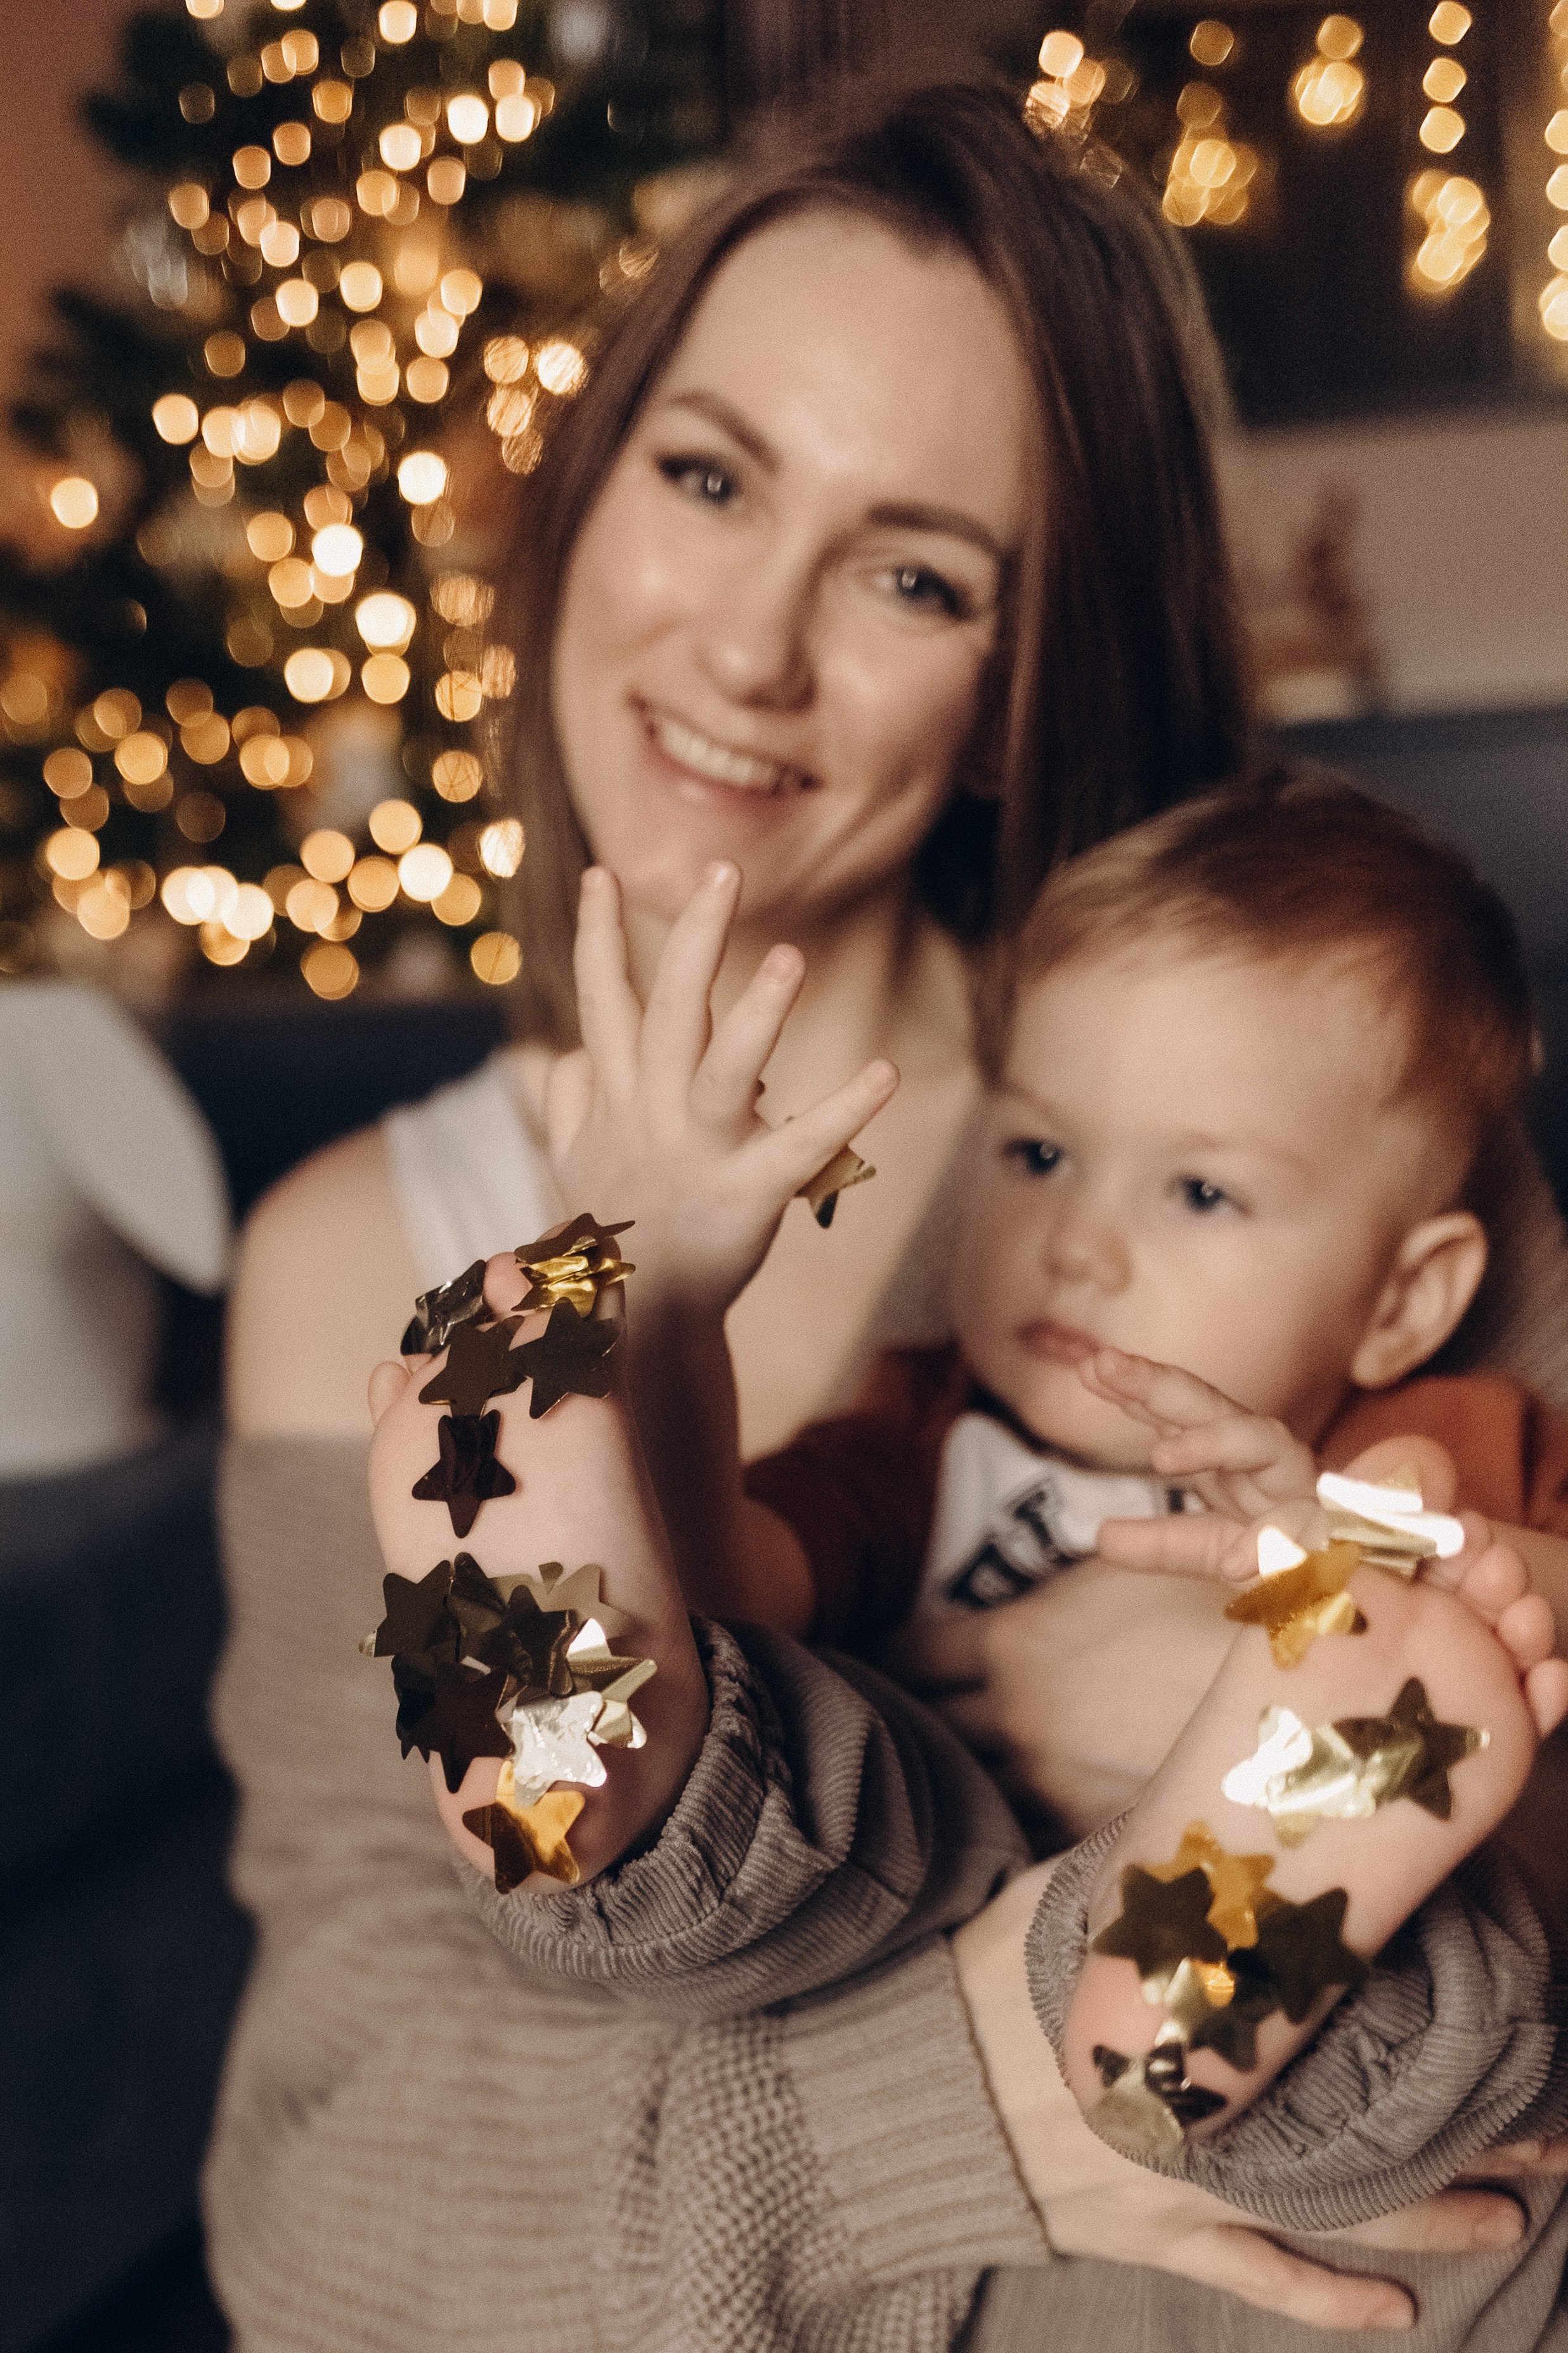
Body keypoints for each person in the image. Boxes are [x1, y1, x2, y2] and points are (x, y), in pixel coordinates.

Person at [213, 77, 1565, 2350]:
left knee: (1417, 2024)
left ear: (1019, 675)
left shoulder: (1289, 1097)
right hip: (855, 1886)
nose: (750, 647)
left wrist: (1352, 1650)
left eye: (913, 570)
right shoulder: (359, 1249)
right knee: (733, 1793)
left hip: (1329, 2089)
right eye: (712, 475)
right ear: (590, 483)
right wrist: (983, 2091)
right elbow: (336, 2214)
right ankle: (575, 1600)